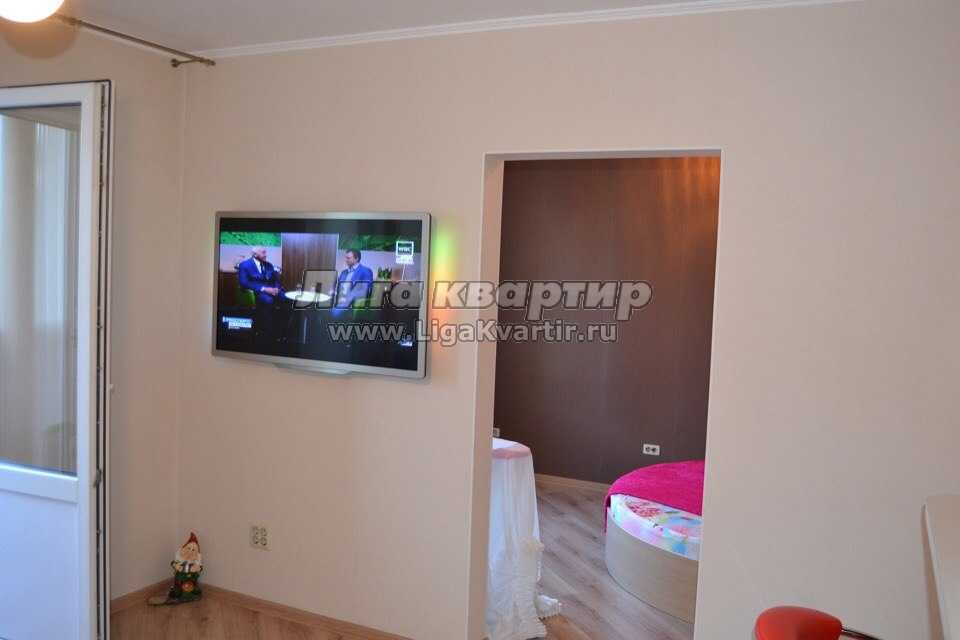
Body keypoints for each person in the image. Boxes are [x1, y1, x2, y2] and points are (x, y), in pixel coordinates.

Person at [237, 246, 285, 345]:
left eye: (265, 252)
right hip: (257, 291)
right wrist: (264, 289)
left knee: (286, 298)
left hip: (272, 290)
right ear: (255, 254)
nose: (266, 255)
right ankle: (268, 334)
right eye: (263, 253)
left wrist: (276, 289)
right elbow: (244, 283)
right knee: (268, 301)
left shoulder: (268, 265)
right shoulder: (244, 265)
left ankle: (282, 330)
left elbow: (275, 280)